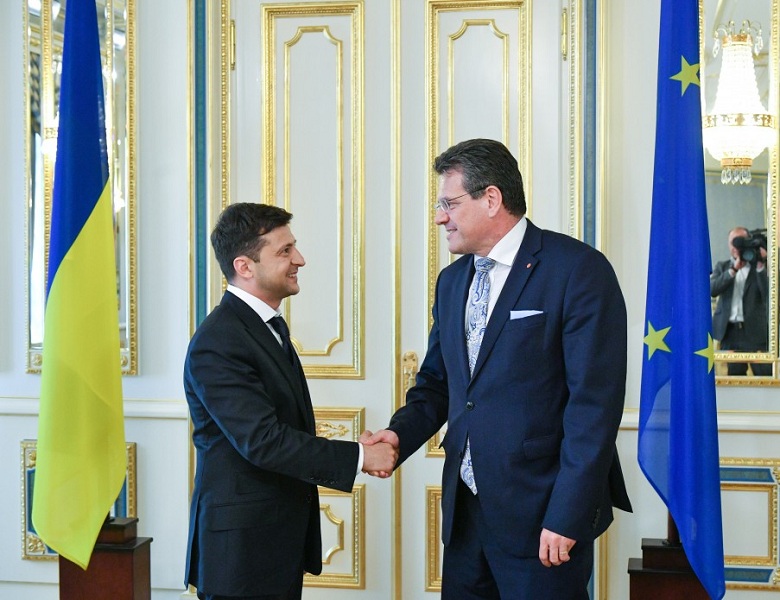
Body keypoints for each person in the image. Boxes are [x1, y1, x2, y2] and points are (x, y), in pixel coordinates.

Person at [362, 139, 632, 599]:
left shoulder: (578, 270)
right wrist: (398, 435)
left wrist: (567, 515)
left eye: (448, 204)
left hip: (543, 516)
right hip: (466, 519)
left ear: (491, 199)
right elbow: (438, 384)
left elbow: (594, 407)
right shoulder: (452, 282)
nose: (439, 218)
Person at [183, 202, 397, 600]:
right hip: (241, 557)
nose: (300, 259)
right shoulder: (220, 340)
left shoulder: (263, 326)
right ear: (245, 266)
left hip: (271, 544)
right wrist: (360, 457)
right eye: (285, 251)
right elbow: (263, 441)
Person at [710, 226, 771, 376]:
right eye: (733, 242)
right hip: (729, 332)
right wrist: (733, 270)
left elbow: (769, 294)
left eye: (740, 241)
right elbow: (712, 290)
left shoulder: (761, 266)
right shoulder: (722, 266)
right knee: (734, 376)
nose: (736, 246)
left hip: (755, 331)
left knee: (764, 374)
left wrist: (760, 265)